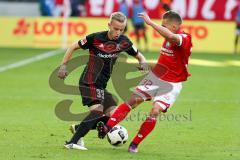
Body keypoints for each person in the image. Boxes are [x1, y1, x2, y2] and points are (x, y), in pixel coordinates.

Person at [97, 11, 193, 153]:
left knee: (155, 110)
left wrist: (150, 23)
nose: (162, 28)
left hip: (172, 83)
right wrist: (143, 66)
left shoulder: (184, 38)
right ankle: (107, 127)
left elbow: (171, 36)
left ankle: (135, 144)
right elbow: (163, 64)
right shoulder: (166, 41)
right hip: (156, 77)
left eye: (164, 25)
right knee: (133, 100)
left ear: (174, 26)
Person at [57, 12, 148, 150]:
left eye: (121, 29)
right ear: (109, 25)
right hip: (89, 81)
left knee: (114, 115)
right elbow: (72, 47)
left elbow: (140, 56)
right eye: (115, 28)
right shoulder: (95, 38)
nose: (118, 32)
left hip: (101, 85)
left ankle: (79, 128)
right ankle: (72, 142)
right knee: (97, 111)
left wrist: (143, 63)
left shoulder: (124, 42)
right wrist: (63, 66)